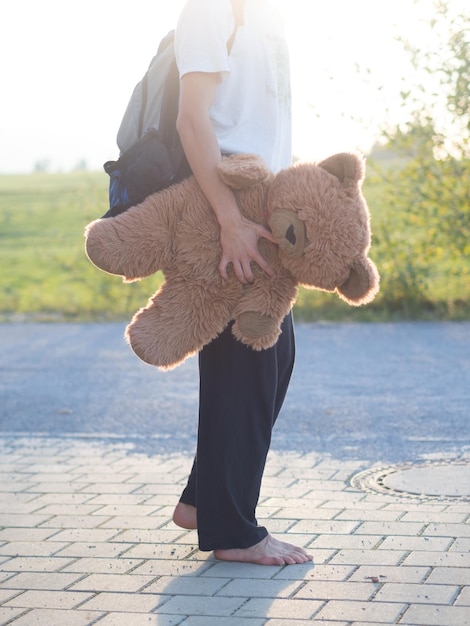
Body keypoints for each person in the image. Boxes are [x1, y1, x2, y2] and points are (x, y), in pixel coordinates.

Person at [171, 0, 312, 566]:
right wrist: (228, 220)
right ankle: (232, 530)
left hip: (262, 202)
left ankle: (203, 502)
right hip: (223, 204)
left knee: (273, 358)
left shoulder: (271, 14)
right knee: (246, 361)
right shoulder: (210, 8)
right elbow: (191, 118)